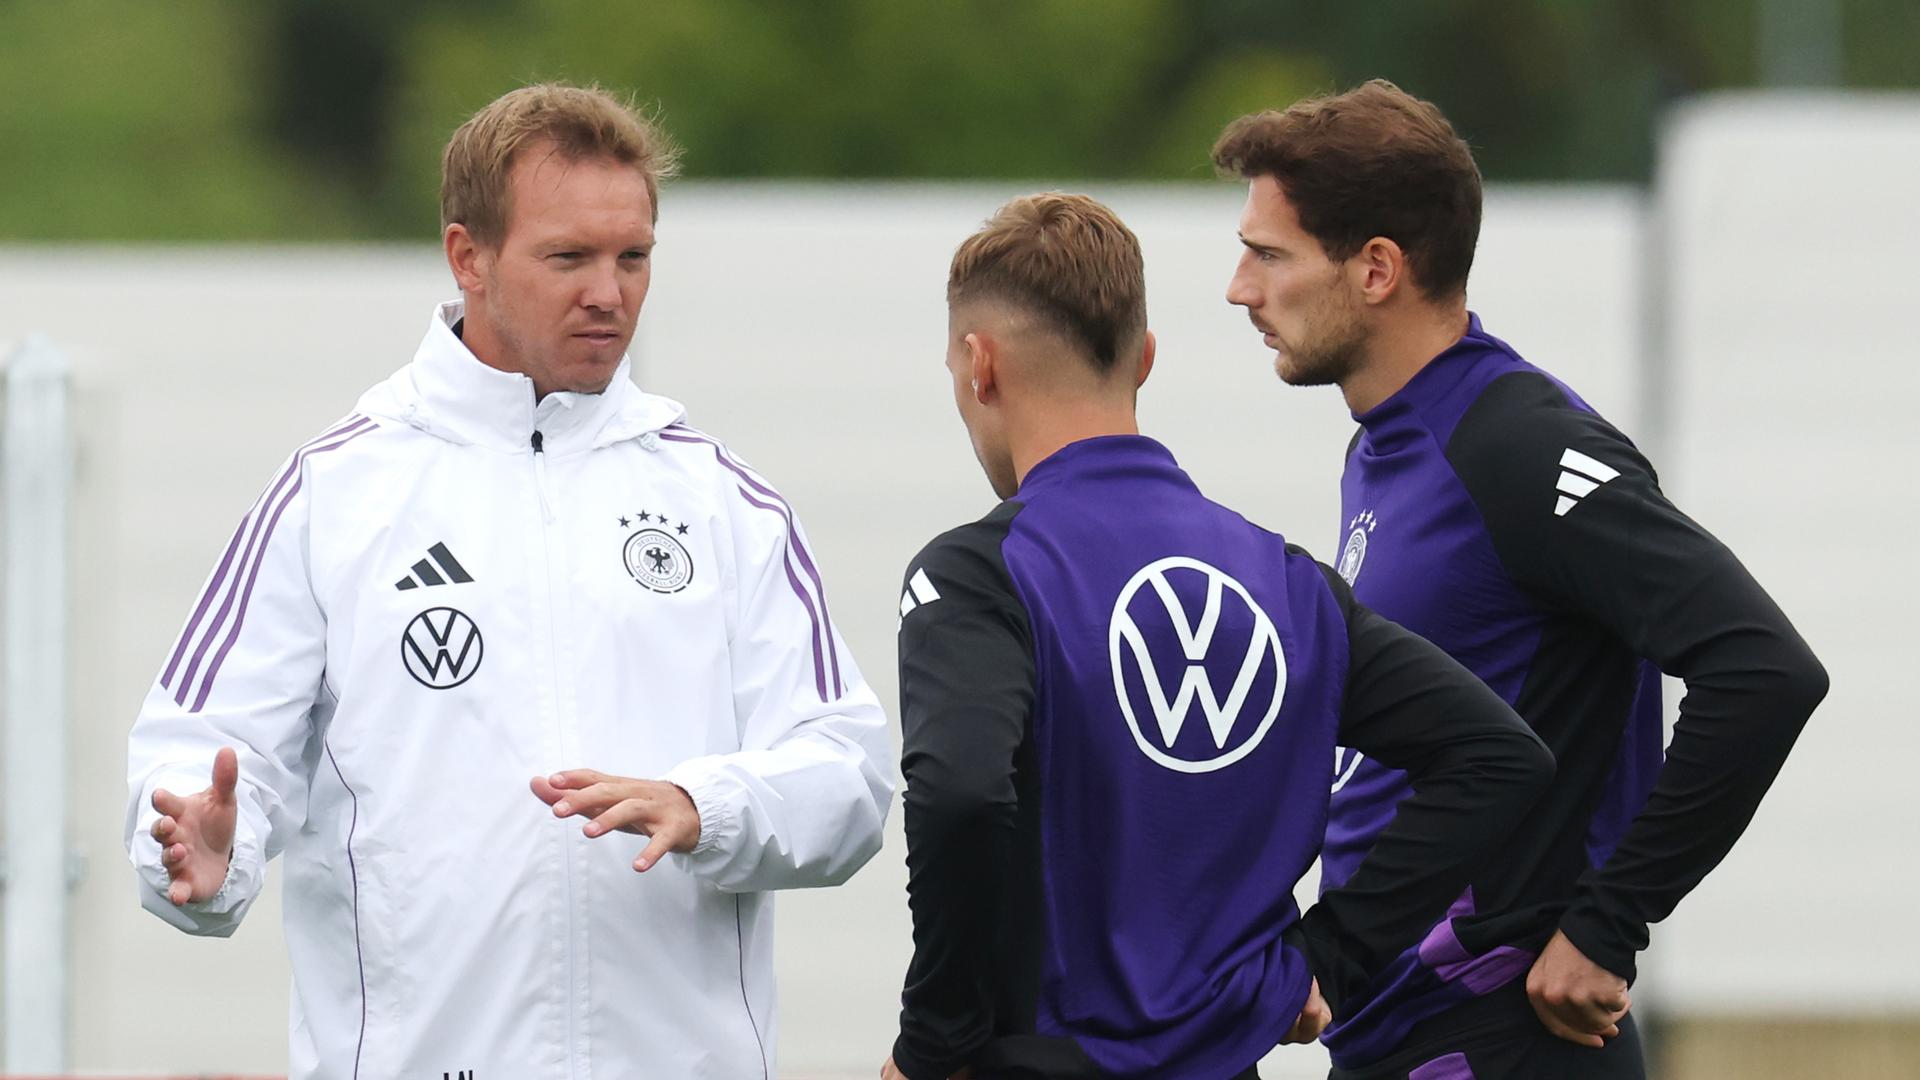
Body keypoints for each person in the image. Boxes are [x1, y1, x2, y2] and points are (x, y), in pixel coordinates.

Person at [124, 83, 892, 1078]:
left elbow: (850, 774)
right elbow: (203, 760)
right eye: (568, 257)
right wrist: (197, 845)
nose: (608, 293)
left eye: (633, 257)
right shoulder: (338, 492)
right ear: (467, 258)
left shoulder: (720, 500)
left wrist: (711, 805)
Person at [1215, 80, 1829, 1079]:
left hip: (1504, 1039)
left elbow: (1764, 669)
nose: (1240, 288)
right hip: (1397, 1036)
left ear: (1377, 269)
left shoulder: (1516, 445)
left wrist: (1608, 920)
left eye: (1270, 255)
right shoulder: (1390, 442)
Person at [883, 192, 1554, 1080]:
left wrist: (931, 1048)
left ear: (979, 366)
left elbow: (962, 796)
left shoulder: (977, 575)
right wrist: (1328, 958)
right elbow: (1501, 757)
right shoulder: (1288, 582)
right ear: (1145, 361)